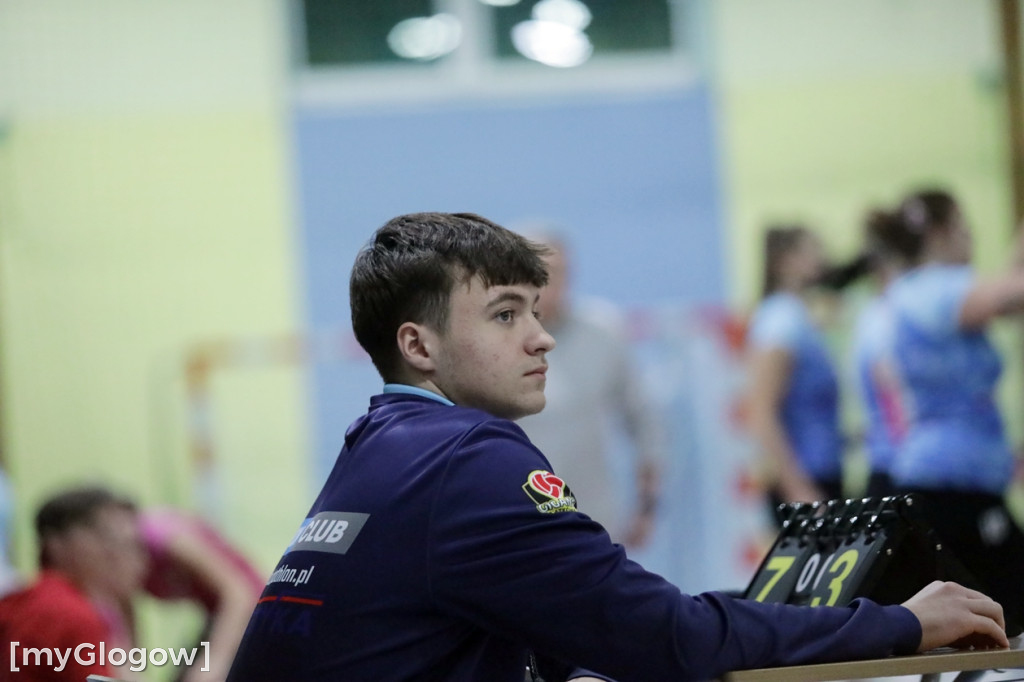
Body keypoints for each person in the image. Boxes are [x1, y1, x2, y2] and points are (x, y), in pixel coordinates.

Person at [227, 212, 1007, 682]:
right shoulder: (469, 458)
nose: (542, 337)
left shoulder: (378, 443)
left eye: (535, 310)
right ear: (418, 345)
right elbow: (667, 642)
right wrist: (900, 625)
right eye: (506, 315)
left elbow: (573, 628)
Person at [876, 188, 1024, 629]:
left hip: (959, 477)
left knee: (990, 616)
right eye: (964, 227)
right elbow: (1012, 293)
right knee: (1005, 610)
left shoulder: (914, 291)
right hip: (952, 485)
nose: (971, 239)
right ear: (940, 233)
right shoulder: (934, 287)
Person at [516, 230, 662, 548]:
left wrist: (647, 506)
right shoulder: (494, 342)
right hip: (515, 526)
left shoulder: (603, 331)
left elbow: (645, 424)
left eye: (560, 272)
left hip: (593, 522)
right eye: (541, 273)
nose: (552, 283)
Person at [0, 485, 147, 681]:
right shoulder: (70, 614)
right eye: (106, 536)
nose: (117, 552)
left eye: (132, 544)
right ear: (56, 544)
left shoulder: (30, 600)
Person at [747, 226, 845, 516]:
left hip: (822, 471)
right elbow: (761, 411)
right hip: (804, 480)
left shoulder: (798, 316)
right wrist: (797, 488)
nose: (822, 258)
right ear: (783, 261)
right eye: (811, 251)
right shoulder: (780, 320)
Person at [133, 508, 265, 682]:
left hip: (253, 611)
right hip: (218, 616)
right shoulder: (118, 571)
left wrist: (214, 663)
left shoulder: (161, 538)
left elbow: (239, 593)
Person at [849, 211, 911, 498]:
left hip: (891, 462)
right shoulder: (888, 311)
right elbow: (891, 387)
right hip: (899, 466)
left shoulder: (873, 311)